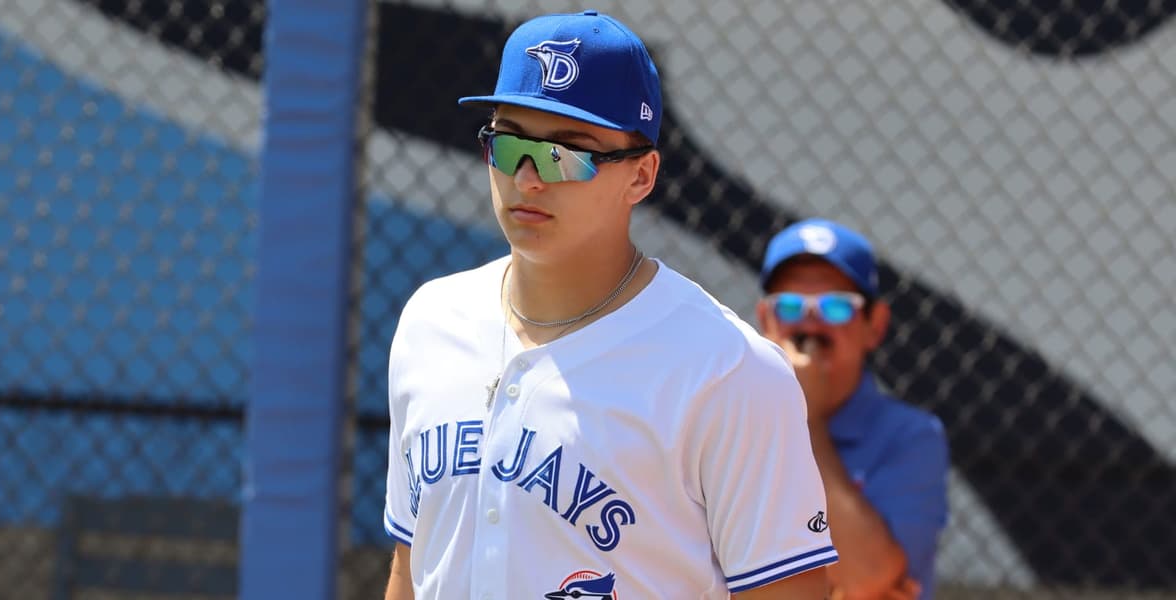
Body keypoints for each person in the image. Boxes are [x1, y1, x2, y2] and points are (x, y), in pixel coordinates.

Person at [383, 10, 836, 599]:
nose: (529, 177)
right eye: (509, 143)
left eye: (567, 153)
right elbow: (410, 570)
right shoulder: (431, 323)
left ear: (642, 176)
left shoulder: (728, 371)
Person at [755, 219, 949, 600]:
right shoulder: (726, 420)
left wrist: (803, 420)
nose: (810, 322)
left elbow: (866, 577)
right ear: (765, 322)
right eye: (790, 306)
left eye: (836, 308)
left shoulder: (912, 436)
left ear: (874, 326)